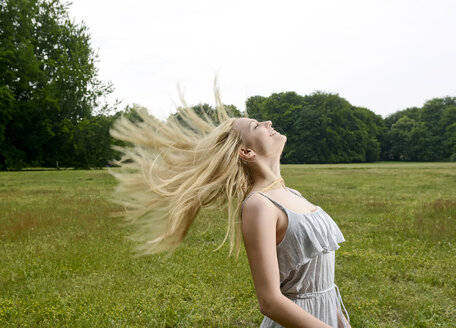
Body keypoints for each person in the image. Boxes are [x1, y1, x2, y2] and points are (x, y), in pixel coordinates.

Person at [109, 80, 351, 328]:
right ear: (246, 152)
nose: (268, 123)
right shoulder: (259, 205)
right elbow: (269, 301)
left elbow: (321, 284)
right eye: (257, 125)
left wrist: (340, 321)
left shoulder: (293, 194)